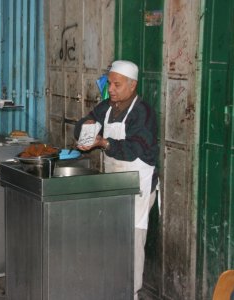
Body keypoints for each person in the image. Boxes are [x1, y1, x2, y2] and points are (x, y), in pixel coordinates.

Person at [74, 60, 159, 300]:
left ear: (132, 86)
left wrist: (104, 142)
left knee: (131, 241)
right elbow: (86, 121)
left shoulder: (143, 113)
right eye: (110, 83)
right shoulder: (108, 107)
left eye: (116, 84)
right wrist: (86, 126)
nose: (111, 89)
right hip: (115, 184)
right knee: (113, 237)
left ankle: (130, 292)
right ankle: (112, 289)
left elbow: (133, 149)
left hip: (138, 187)